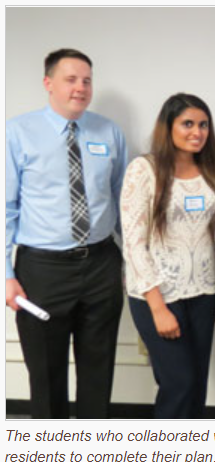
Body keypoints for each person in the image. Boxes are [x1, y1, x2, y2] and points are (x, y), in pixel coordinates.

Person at [5, 48, 127, 418]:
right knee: (46, 373)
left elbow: (123, 201)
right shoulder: (17, 132)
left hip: (101, 263)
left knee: (99, 368)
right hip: (42, 270)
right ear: (48, 83)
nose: (81, 87)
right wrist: (5, 276)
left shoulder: (109, 132)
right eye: (71, 79)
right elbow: (4, 208)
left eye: (87, 80)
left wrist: (136, 262)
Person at [120, 93, 215, 419]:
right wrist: (157, 307)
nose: (197, 132)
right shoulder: (145, 170)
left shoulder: (213, 170)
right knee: (178, 383)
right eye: (188, 124)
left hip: (203, 292)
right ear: (168, 128)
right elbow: (133, 243)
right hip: (158, 295)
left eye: (203, 124)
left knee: (197, 384)